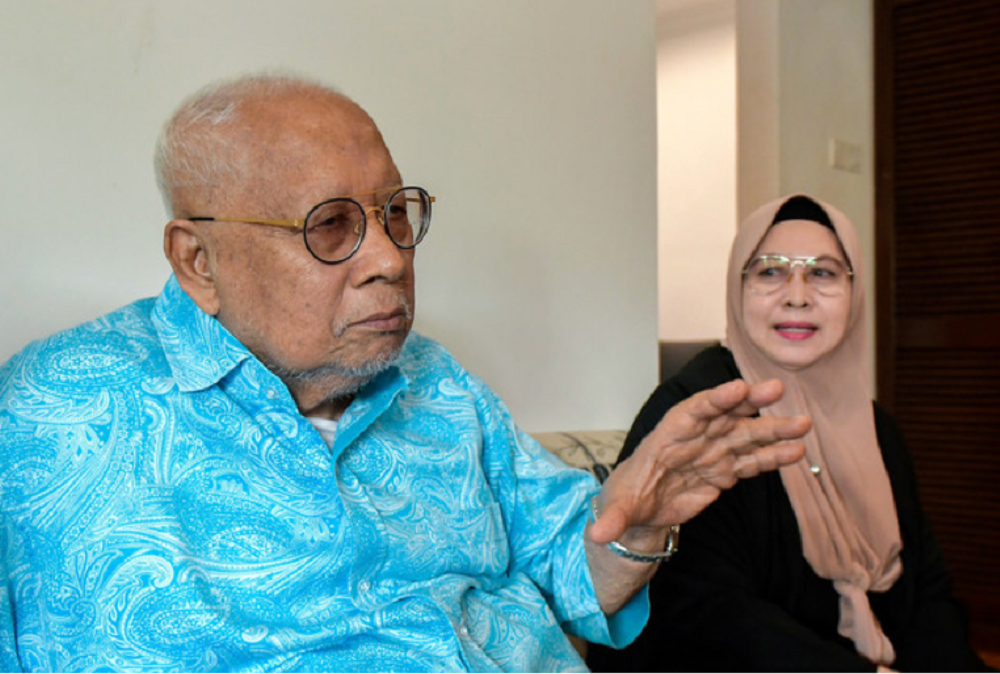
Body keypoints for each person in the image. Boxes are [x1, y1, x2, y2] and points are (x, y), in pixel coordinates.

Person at [0, 74, 810, 672]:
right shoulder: (59, 409)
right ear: (197, 260)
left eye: (395, 214)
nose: (391, 258)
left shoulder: (435, 381)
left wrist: (634, 526)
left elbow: (578, 579)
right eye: (331, 227)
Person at [587, 195, 988, 672]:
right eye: (770, 271)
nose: (797, 294)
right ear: (738, 289)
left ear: (855, 292)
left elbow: (929, 595)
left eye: (823, 273)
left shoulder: (877, 428)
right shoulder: (696, 410)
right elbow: (702, 613)